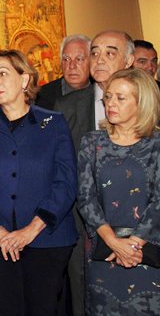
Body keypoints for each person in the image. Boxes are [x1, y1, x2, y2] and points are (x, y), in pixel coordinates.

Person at [0, 50, 78, 315]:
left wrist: (30, 230)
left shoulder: (54, 124)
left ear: (25, 79)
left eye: (3, 74)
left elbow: (66, 182)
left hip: (47, 240)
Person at [54, 30, 135, 316]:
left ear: (129, 60)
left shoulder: (153, 103)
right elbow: (61, 172)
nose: (99, 60)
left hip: (140, 234)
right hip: (82, 229)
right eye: (95, 53)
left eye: (110, 53)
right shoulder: (66, 107)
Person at [77, 68, 160, 315]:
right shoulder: (91, 142)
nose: (110, 103)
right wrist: (114, 243)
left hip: (149, 254)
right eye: (109, 96)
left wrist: (132, 246)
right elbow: (85, 197)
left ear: (142, 102)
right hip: (103, 251)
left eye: (120, 98)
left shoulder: (156, 145)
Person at [35, 34, 91, 110]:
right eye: (66, 59)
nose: (72, 66)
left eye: (79, 59)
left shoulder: (103, 92)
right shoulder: (42, 97)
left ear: (91, 61)